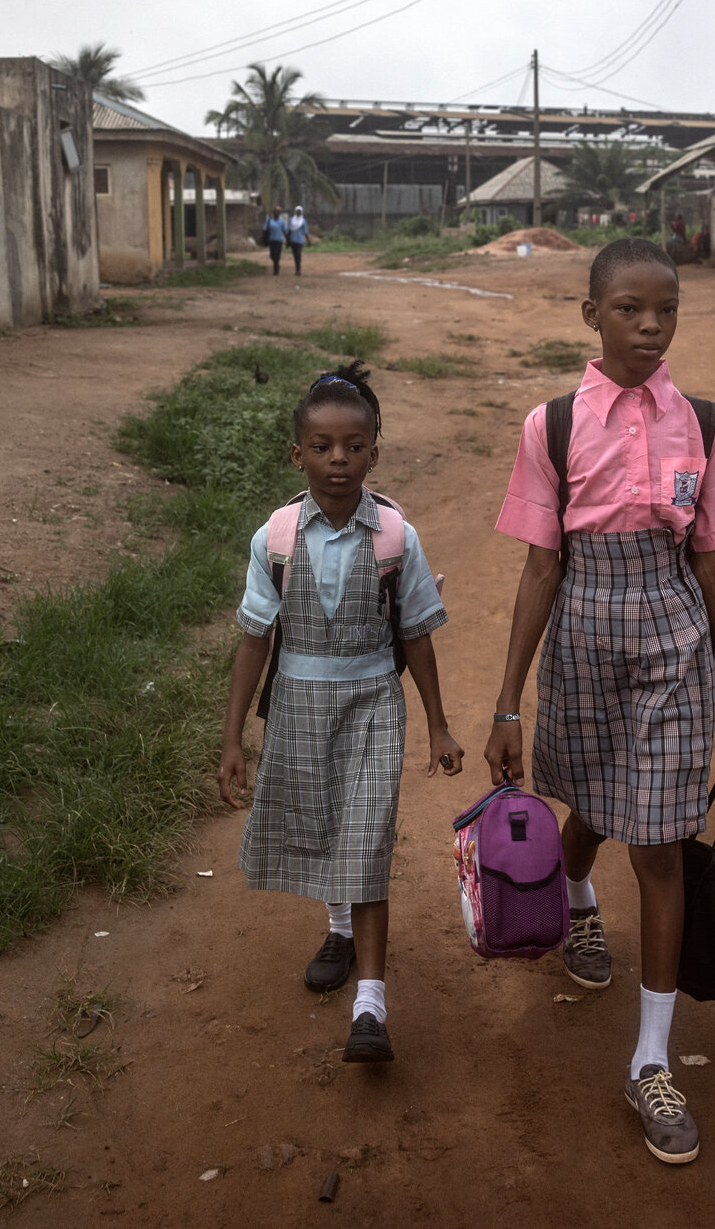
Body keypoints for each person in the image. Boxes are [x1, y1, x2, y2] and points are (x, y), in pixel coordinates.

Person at [484, 237, 715, 1165]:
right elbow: (539, 566)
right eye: (629, 310)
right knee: (596, 808)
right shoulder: (554, 426)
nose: (650, 326)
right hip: (580, 636)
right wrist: (507, 702)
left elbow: (714, 565)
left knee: (657, 838)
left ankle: (650, 1058)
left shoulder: (707, 423)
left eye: (667, 310)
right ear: (591, 315)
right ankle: (572, 894)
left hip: (674, 638)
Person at [218, 361, 463, 1063]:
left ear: (374, 452)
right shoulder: (277, 539)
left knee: (367, 839)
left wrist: (439, 722)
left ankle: (371, 1007)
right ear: (298, 455)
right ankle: (339, 930)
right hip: (297, 703)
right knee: (324, 822)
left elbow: (414, 630)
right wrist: (232, 737)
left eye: (353, 446)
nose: (338, 459)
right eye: (322, 446)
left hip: (372, 707)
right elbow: (254, 639)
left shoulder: (393, 536)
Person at [261, 207, 288, 275]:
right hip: (271, 240)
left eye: (278, 212)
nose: (276, 213)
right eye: (275, 211)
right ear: (273, 212)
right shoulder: (269, 220)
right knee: (272, 255)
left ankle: (276, 269)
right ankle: (276, 263)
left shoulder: (281, 222)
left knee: (277, 255)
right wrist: (263, 238)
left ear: (280, 213)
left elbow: (284, 231)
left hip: (279, 240)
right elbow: (264, 229)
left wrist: (288, 240)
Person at [286, 206, 310, 276]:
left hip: (300, 240)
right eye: (297, 211)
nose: (298, 212)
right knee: (295, 255)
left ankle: (298, 269)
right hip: (292, 240)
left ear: (301, 212)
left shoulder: (303, 220)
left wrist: (308, 241)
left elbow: (305, 231)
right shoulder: (291, 220)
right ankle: (297, 267)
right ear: (295, 211)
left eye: (300, 211)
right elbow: (289, 230)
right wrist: (287, 241)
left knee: (298, 254)